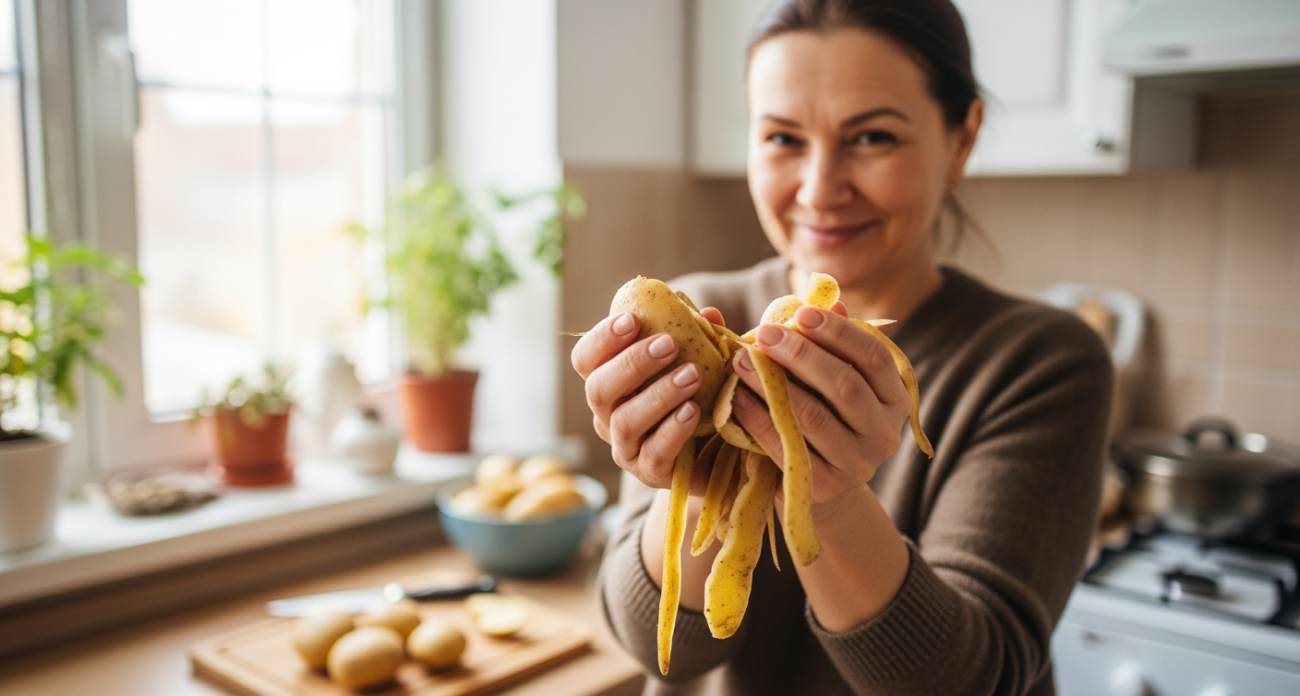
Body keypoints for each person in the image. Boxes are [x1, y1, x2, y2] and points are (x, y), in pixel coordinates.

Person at [570, 0, 1113, 693]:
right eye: (782, 139)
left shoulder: (1038, 362)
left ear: (962, 138)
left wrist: (824, 498)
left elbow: (977, 679)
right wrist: (704, 479)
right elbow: (663, 651)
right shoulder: (697, 324)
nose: (820, 190)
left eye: (872, 138)